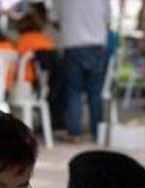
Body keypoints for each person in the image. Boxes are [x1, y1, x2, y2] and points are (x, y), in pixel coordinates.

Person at [57, 0, 109, 142]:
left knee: (74, 91)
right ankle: (98, 133)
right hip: (96, 47)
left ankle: (75, 134)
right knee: (95, 93)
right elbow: (107, 21)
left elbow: (55, 20)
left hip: (73, 48)